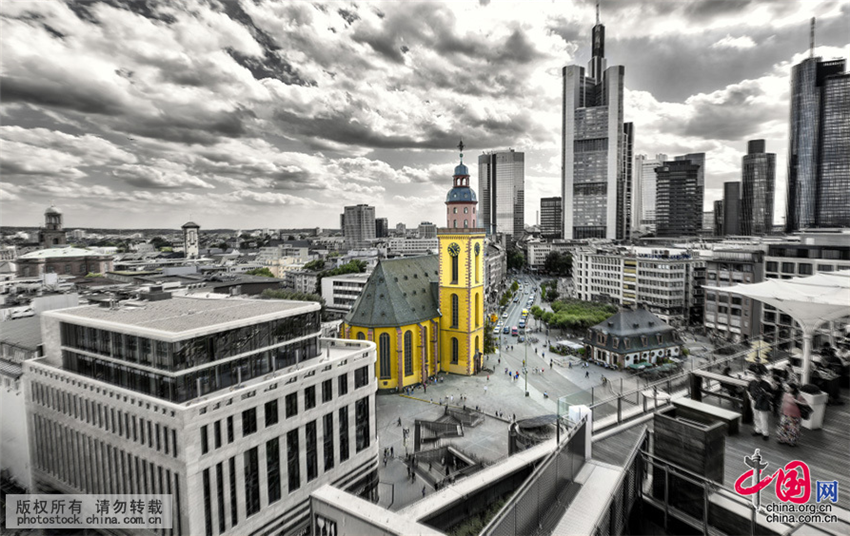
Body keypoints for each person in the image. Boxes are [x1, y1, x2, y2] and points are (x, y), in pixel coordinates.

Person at [748, 373, 774, 441]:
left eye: (759, 376)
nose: (758, 377)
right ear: (754, 376)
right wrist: (749, 396)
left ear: (761, 376)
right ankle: (758, 430)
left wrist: (765, 393)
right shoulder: (752, 382)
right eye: (756, 376)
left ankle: (765, 433)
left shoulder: (766, 384)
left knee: (763, 418)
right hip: (754, 401)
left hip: (763, 402)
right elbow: (748, 390)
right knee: (756, 416)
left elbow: (771, 394)